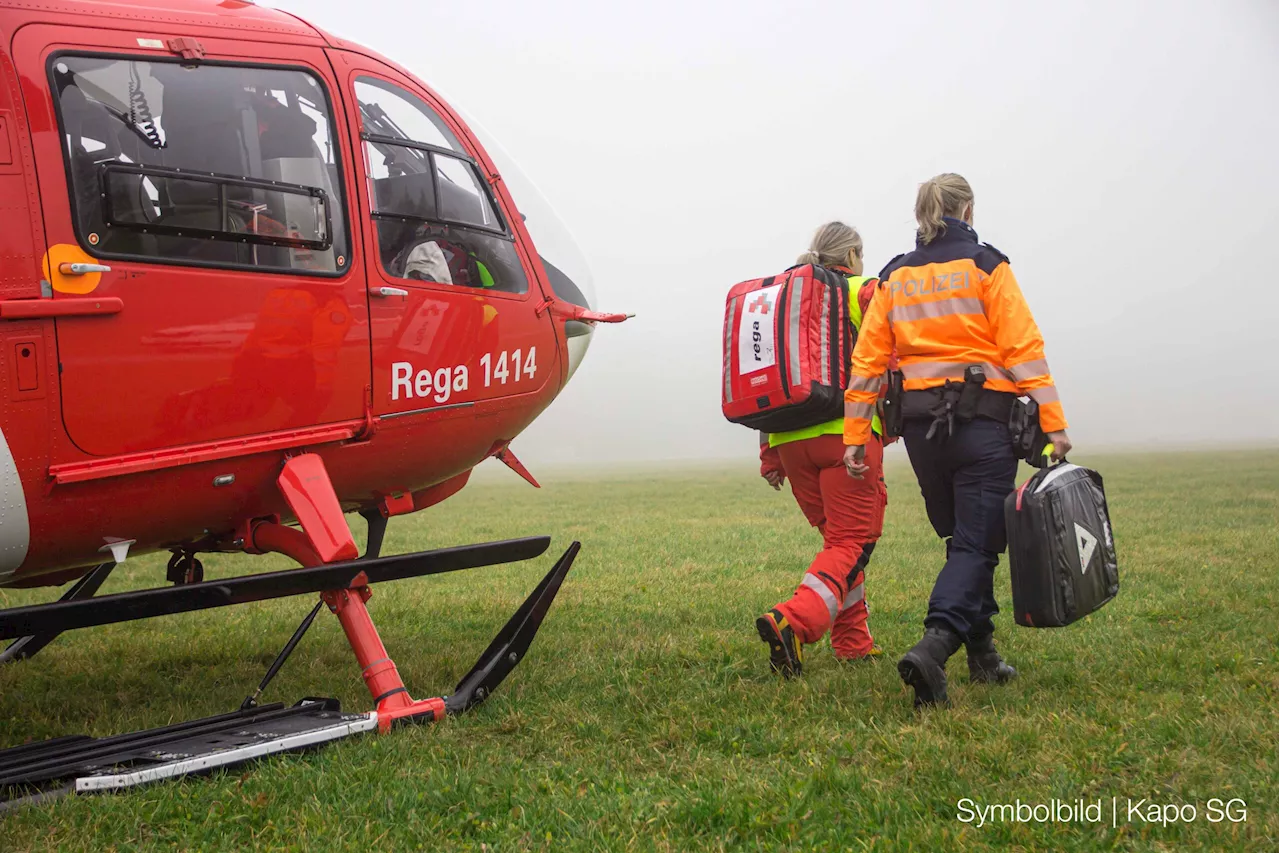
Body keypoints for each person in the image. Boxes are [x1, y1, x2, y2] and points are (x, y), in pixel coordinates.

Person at [842, 173, 1071, 707]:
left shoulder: (894, 275)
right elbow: (1024, 348)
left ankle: (983, 654)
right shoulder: (987, 265)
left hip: (923, 435)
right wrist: (1053, 422)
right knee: (977, 544)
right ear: (966, 209)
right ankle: (934, 646)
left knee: (962, 540)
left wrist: (856, 435)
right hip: (983, 429)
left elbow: (868, 362)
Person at [755, 222, 890, 677]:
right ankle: (790, 620)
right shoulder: (859, 290)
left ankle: (853, 643)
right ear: (851, 254)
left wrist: (769, 452)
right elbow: (900, 333)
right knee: (853, 542)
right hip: (845, 438)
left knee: (840, 546)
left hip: (790, 442)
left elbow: (774, 374)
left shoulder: (788, 302)